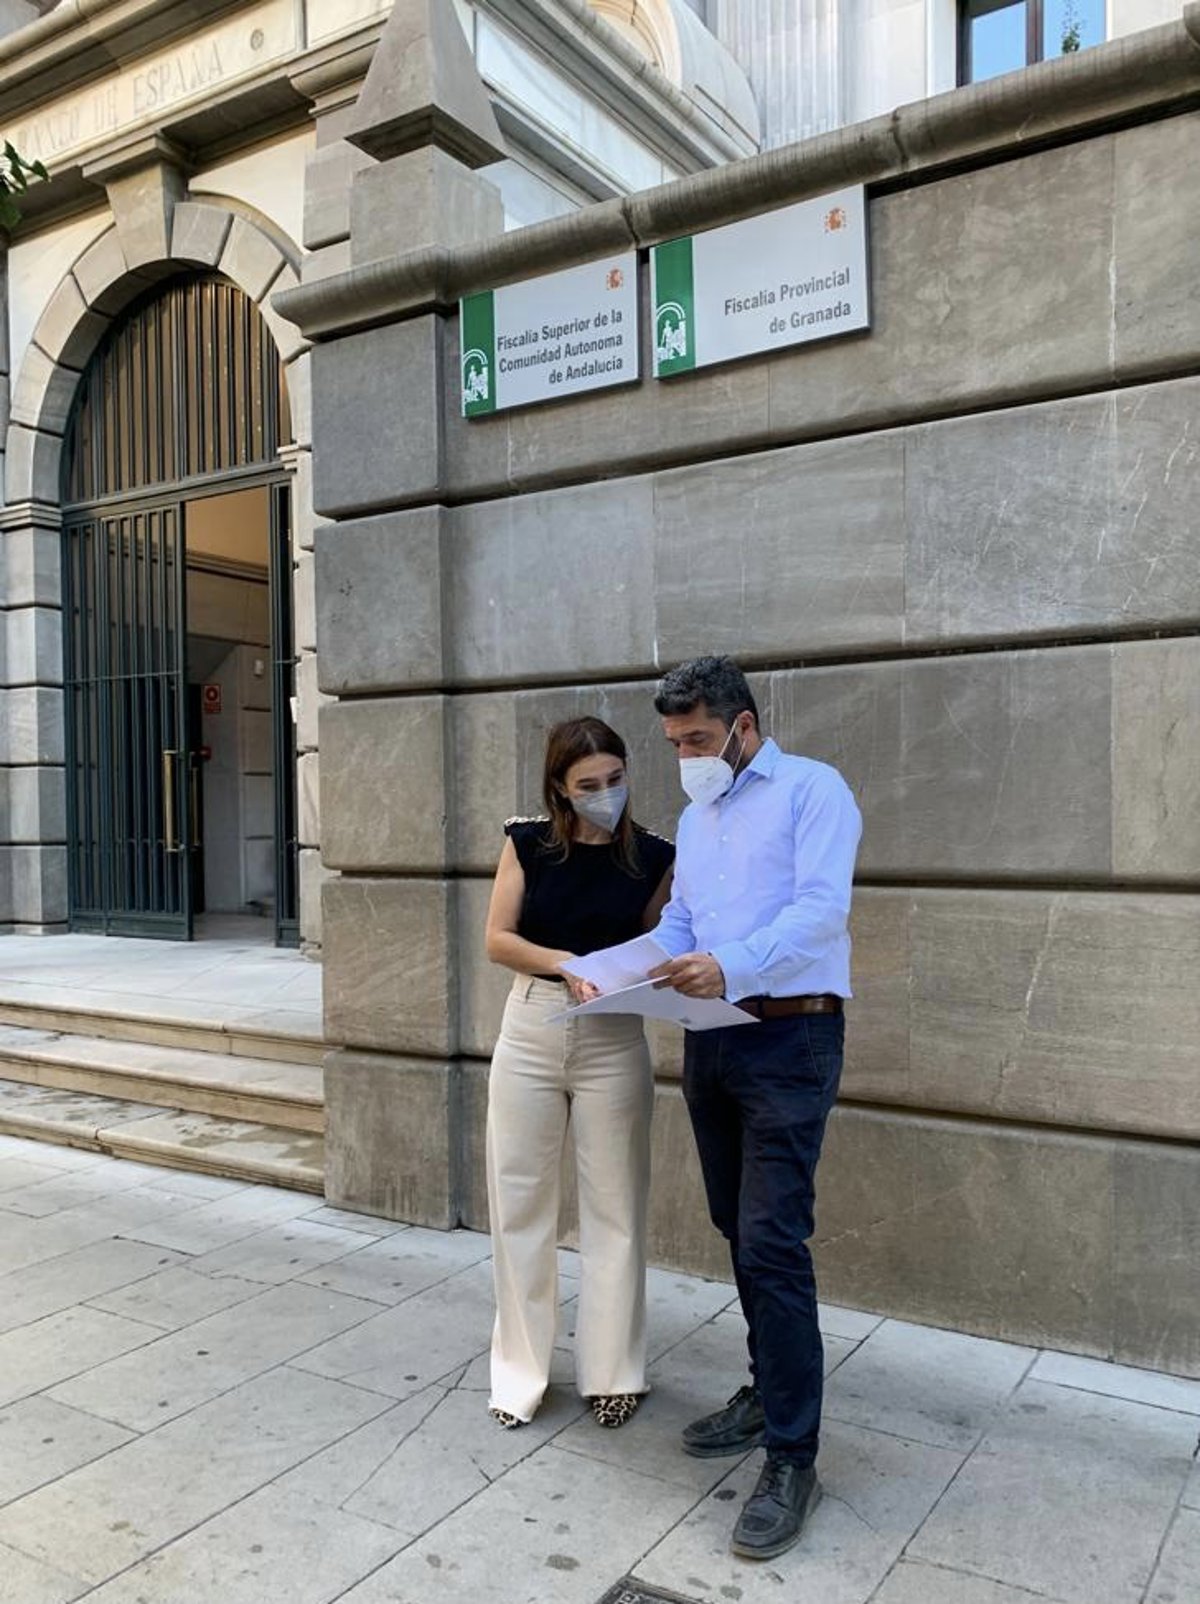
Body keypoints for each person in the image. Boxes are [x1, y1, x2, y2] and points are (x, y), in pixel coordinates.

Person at [648, 656, 862, 1562]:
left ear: (742, 725)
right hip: (713, 1039)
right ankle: (767, 1391)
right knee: (736, 1226)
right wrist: (620, 969)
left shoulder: (814, 791)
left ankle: (792, 1457)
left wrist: (731, 966)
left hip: (791, 1038)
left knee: (773, 1241)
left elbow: (821, 913)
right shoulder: (696, 820)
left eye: (697, 739)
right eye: (674, 744)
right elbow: (683, 925)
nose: (686, 758)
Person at [483, 715, 675, 1431]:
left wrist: (663, 973)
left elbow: (661, 941)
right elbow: (498, 939)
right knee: (520, 1202)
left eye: (615, 779)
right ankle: (519, 1374)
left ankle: (614, 1374)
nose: (605, 793)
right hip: (532, 1024)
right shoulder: (527, 843)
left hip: (614, 1035)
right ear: (560, 789)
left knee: (617, 1206)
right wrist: (565, 963)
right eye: (588, 784)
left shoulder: (655, 856)